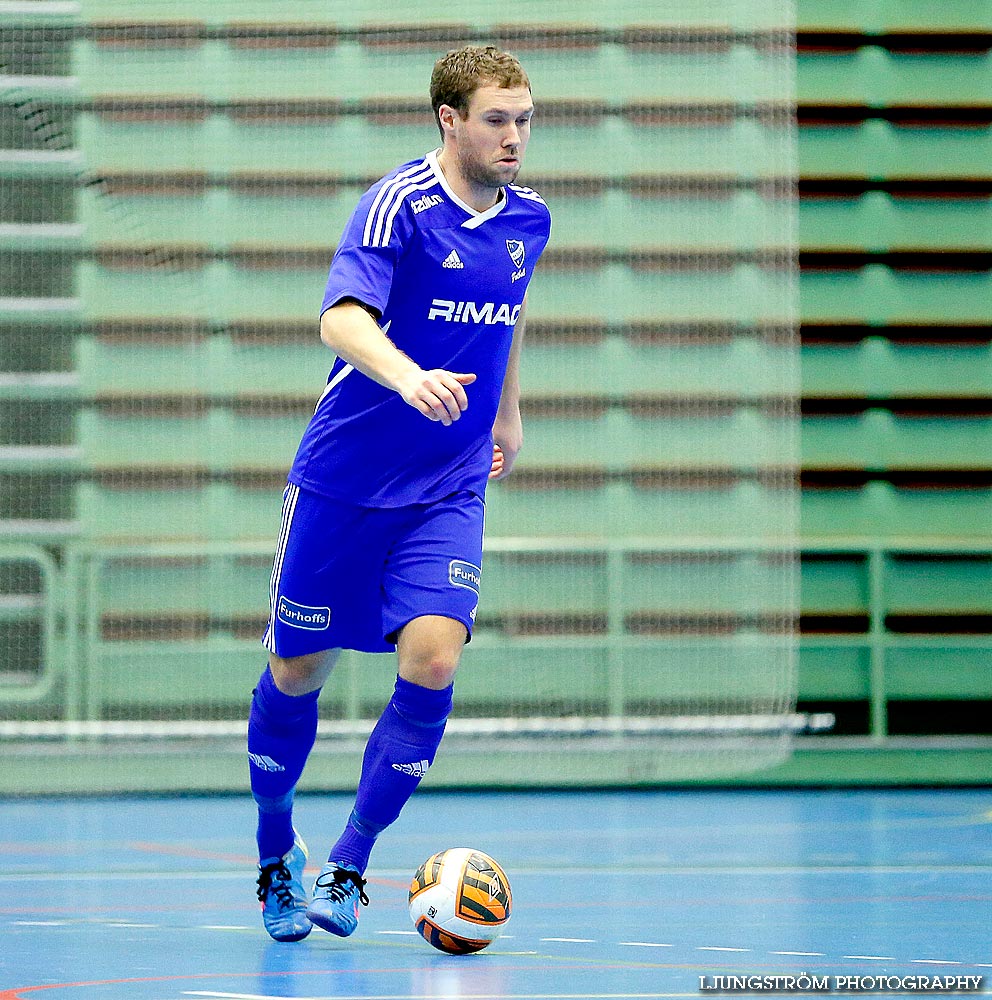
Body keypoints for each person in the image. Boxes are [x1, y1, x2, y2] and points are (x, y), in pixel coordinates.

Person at [248, 44, 551, 942]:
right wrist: (408, 375)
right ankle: (276, 848)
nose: (515, 137)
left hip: (448, 487)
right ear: (450, 120)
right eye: (497, 119)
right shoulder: (399, 206)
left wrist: (506, 416)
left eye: (526, 119)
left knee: (434, 657)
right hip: (343, 484)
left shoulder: (529, 220)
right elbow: (339, 317)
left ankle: (348, 861)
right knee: (297, 671)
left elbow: (512, 310)